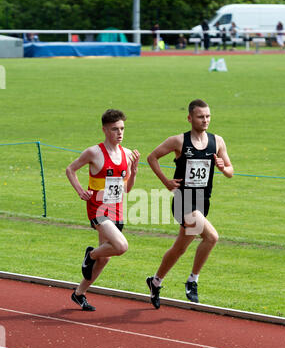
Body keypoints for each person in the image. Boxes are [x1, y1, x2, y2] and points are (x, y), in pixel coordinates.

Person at [146, 99, 233, 309]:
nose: (205, 120)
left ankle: (155, 281)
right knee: (212, 237)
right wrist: (166, 181)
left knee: (179, 248)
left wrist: (222, 167)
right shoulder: (178, 141)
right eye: (200, 116)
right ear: (190, 118)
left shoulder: (217, 141)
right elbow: (152, 157)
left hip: (203, 202)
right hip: (183, 201)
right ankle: (193, 280)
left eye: (208, 116)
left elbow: (230, 171)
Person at [66, 109, 140, 311]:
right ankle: (90, 255)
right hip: (98, 209)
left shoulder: (127, 154)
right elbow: (70, 169)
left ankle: (79, 293)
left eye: (122, 128)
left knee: (105, 257)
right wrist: (80, 190)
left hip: (117, 209)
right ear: (105, 130)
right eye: (115, 129)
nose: (120, 133)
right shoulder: (94, 152)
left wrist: (133, 172)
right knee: (121, 246)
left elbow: (126, 189)